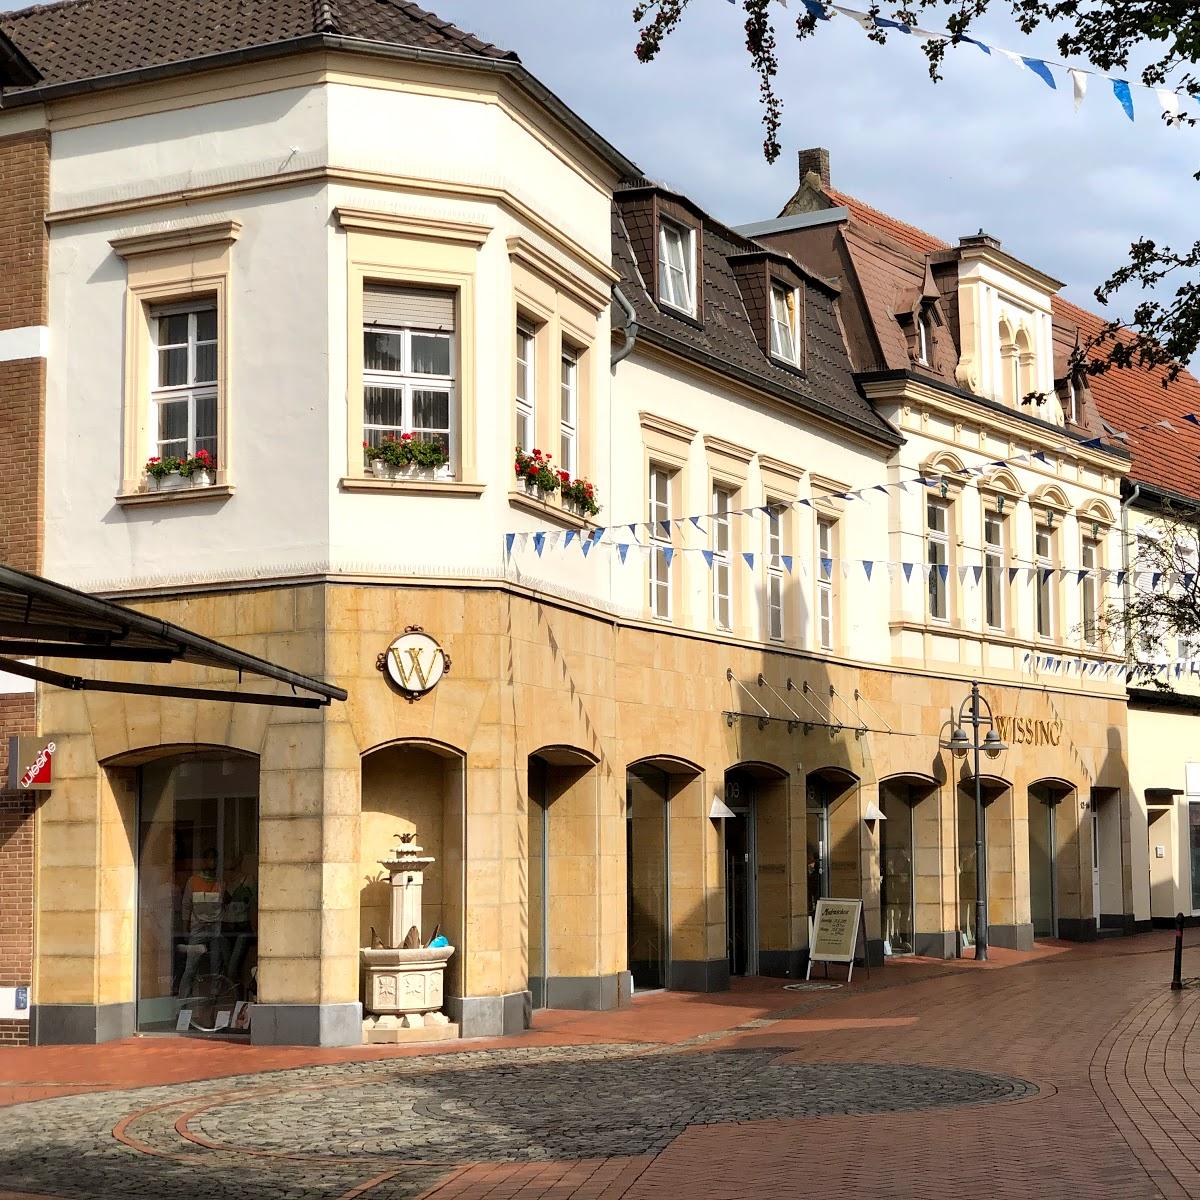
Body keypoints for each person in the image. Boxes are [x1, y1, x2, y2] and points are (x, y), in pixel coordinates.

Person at [178, 848, 224, 1000]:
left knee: (216, 965)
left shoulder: (220, 882)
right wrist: (185, 929)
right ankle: (184, 999)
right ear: (204, 861)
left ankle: (214, 997)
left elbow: (224, 904)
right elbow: (186, 905)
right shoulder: (194, 881)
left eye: (215, 859)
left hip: (215, 928)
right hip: (198, 928)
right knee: (190, 967)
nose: (213, 863)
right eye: (210, 859)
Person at [223, 851, 257, 993]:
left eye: (231, 857)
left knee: (232, 969)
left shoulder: (248, 879)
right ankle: (237, 999)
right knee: (227, 970)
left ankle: (239, 1000)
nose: (228, 861)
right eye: (226, 857)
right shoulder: (223, 881)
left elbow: (255, 904)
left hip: (242, 927)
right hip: (225, 927)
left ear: (239, 859)